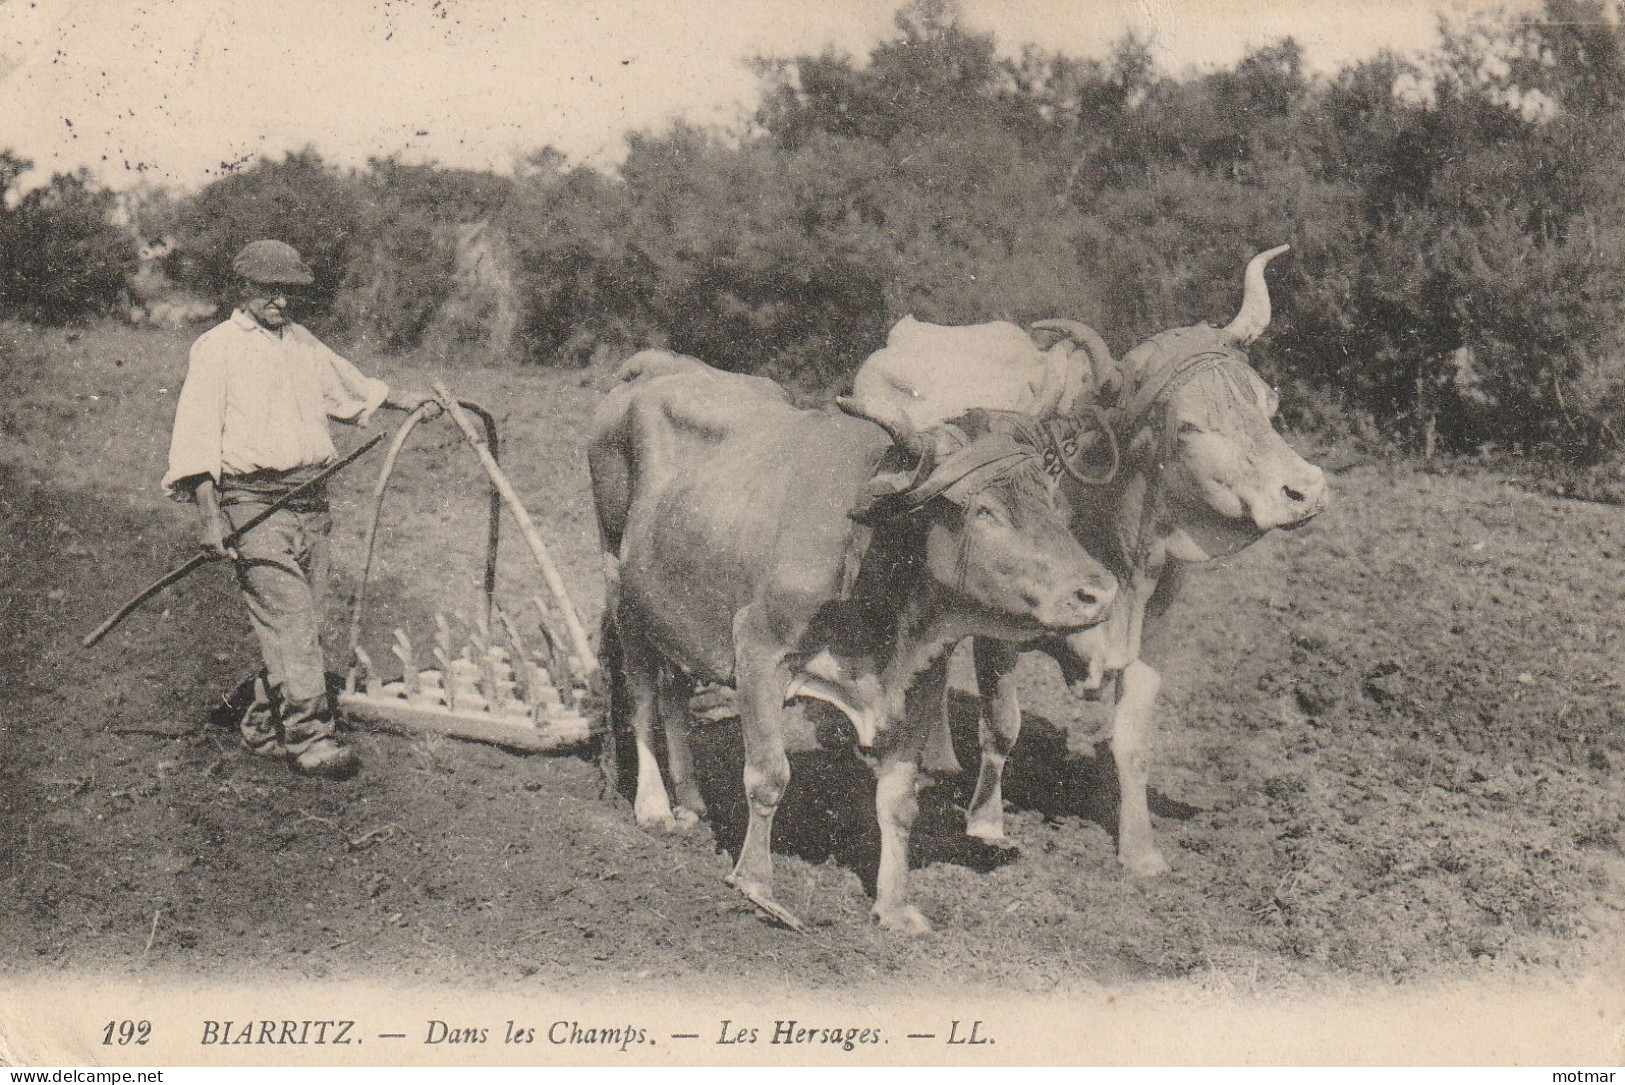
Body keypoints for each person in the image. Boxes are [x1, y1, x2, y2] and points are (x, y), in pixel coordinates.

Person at [163, 239, 437, 779]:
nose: (282, 303)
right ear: (244, 289)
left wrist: (415, 402)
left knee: (303, 625)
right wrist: (210, 517)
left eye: (289, 292)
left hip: (312, 499)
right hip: (251, 503)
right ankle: (311, 737)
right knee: (291, 620)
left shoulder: (302, 343)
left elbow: (353, 388)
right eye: (271, 291)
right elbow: (195, 437)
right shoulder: (216, 347)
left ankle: (265, 726)